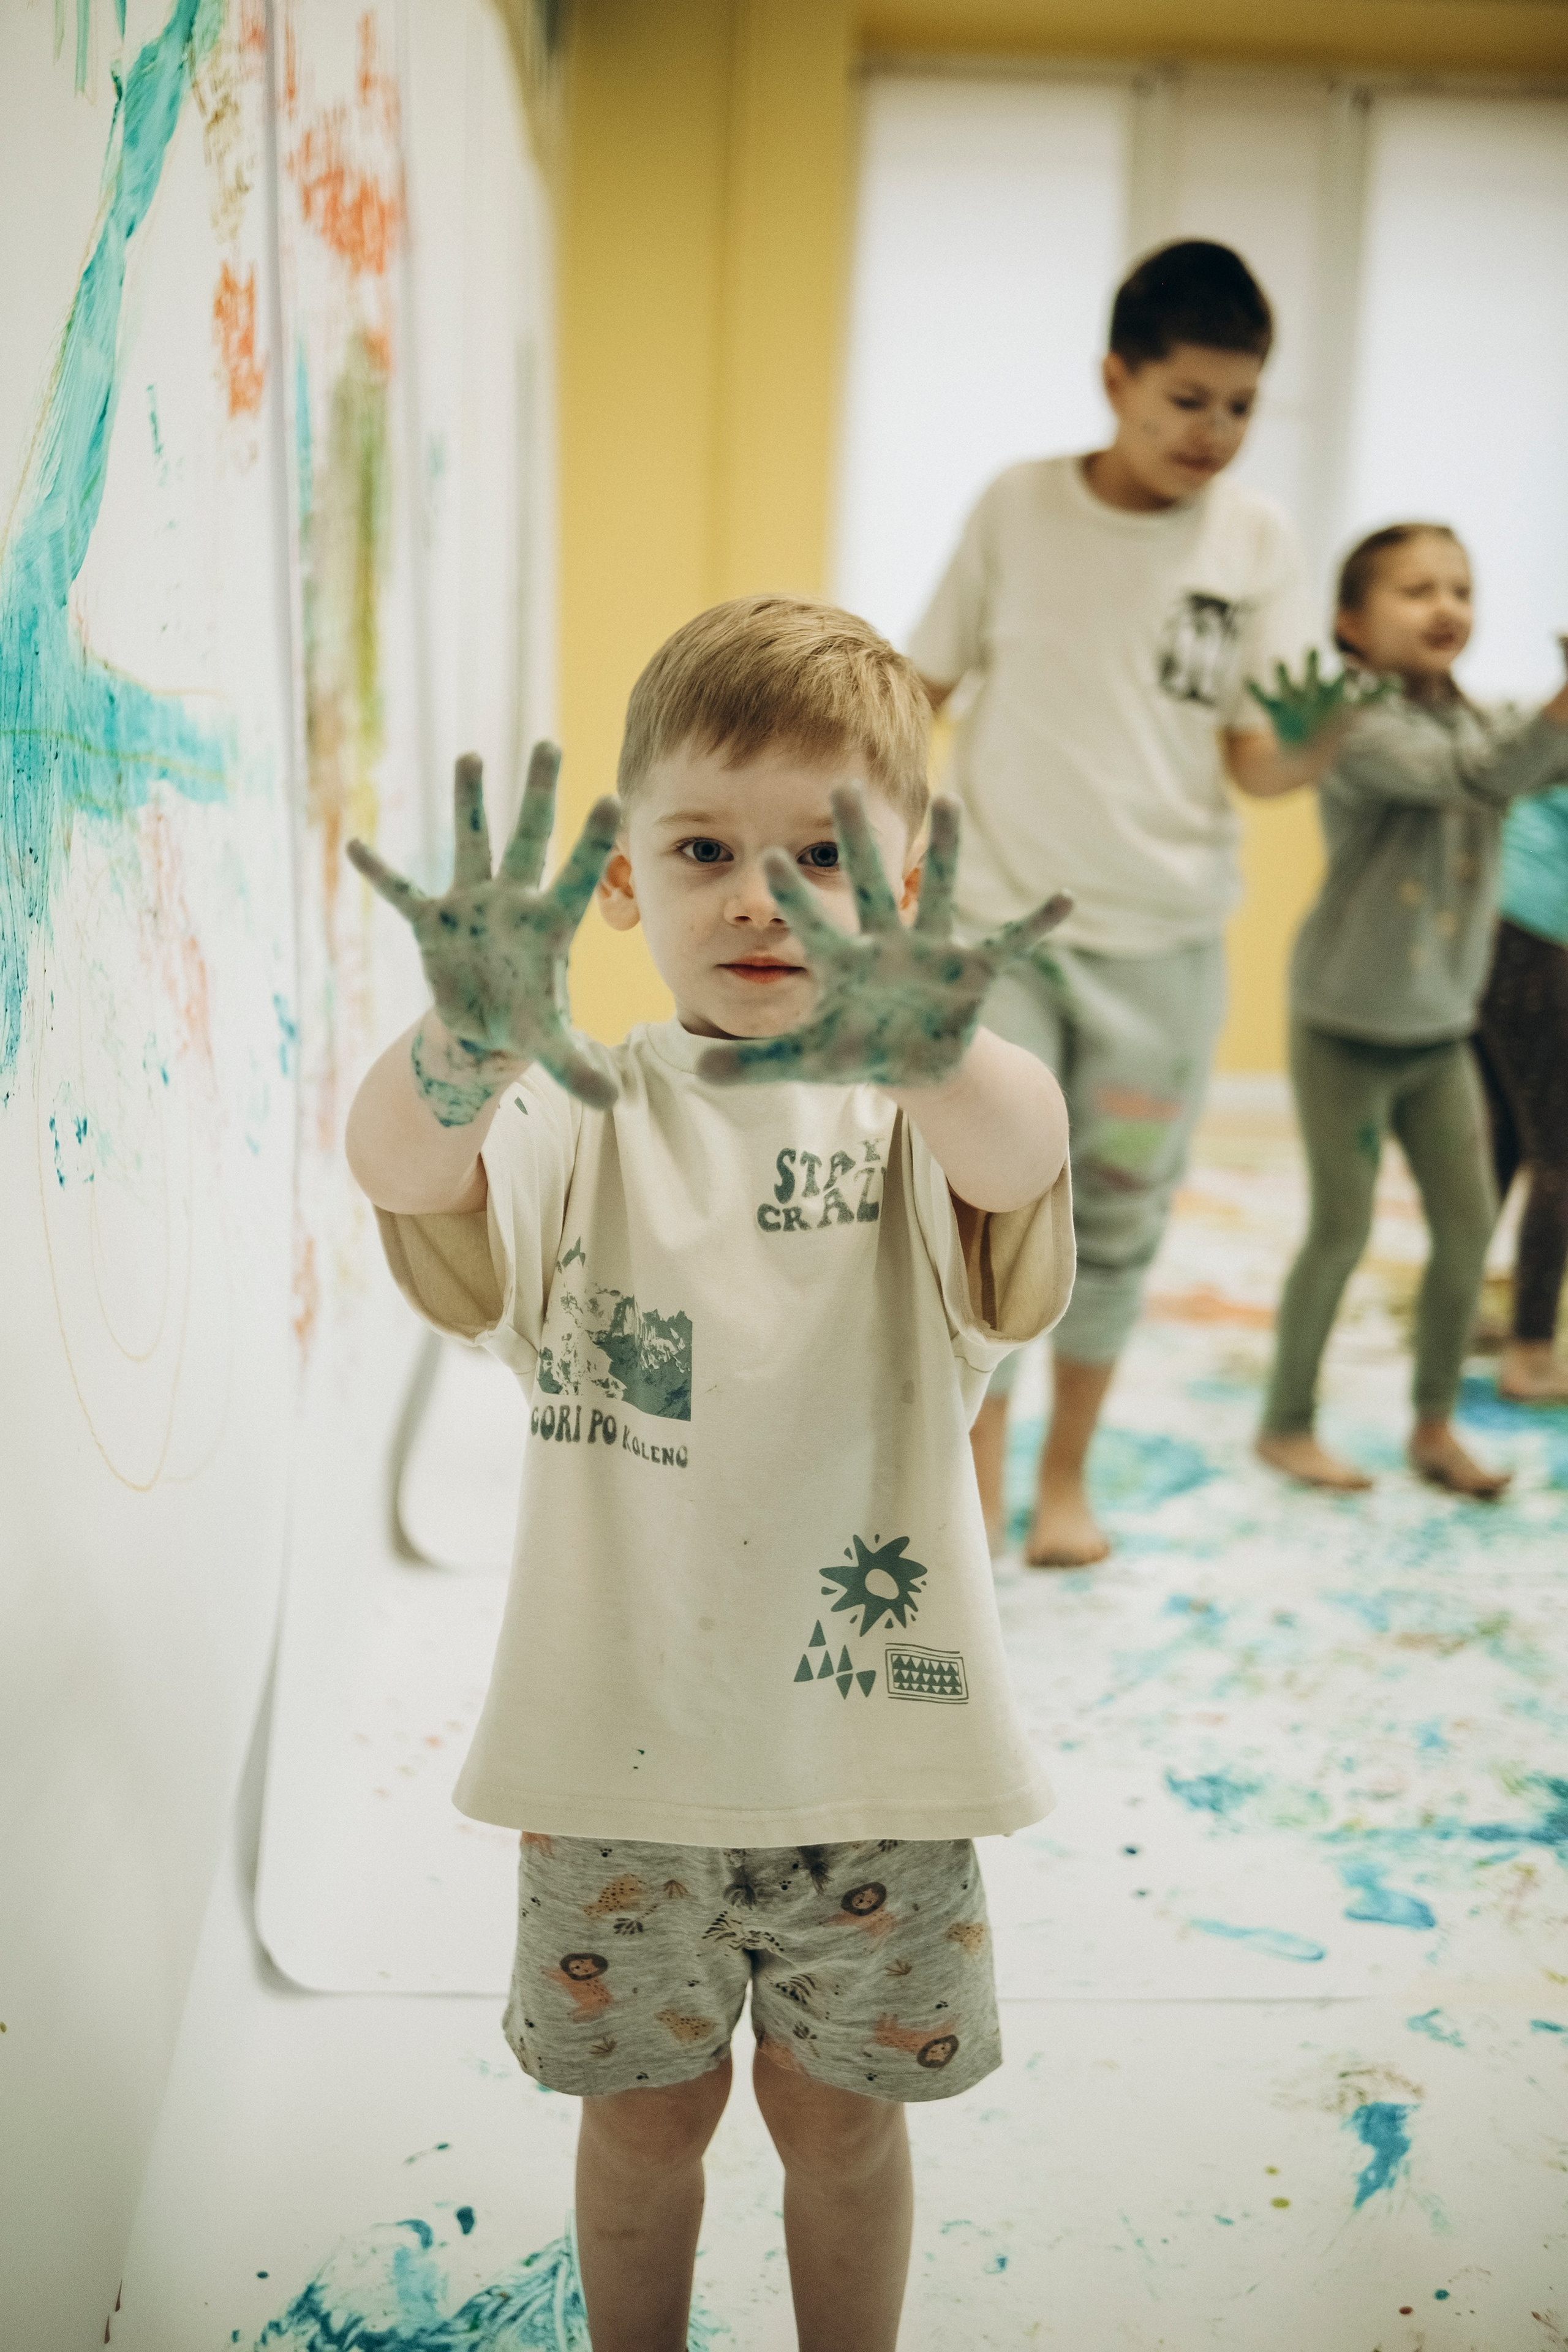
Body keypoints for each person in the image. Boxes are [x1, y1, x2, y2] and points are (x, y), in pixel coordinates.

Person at [342, 597, 1076, 2352]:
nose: (761, 896)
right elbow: (397, 1164)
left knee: (841, 2126)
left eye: (828, 856)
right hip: (621, 1763)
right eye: (705, 848)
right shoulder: (579, 1109)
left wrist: (938, 1047)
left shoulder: (915, 1114)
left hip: (873, 1764)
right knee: (644, 2126)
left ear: (915, 896)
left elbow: (1025, 1143)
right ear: (620, 884)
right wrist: (466, 1042)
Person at [908, 238, 1318, 1567]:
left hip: (1165, 938)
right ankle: (973, 1490)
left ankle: (1063, 1484)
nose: (1214, 433)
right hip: (1003, 924)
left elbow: (1253, 761)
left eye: (1240, 406)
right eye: (1184, 401)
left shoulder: (1253, 540)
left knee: (1121, 1213)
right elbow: (919, 689)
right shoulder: (1017, 508)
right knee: (989, 1202)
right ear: (1113, 379)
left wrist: (1318, 742)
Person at [1254, 526, 1568, 1494]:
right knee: (1341, 1230)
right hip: (1346, 1025)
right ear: (1352, 623)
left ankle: (1433, 1425)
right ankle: (1286, 1422)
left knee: (1468, 1231)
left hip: (1438, 1030)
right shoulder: (1351, 727)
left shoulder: (1476, 717)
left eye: (1462, 590)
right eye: (1417, 590)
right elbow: (1470, 779)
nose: (1447, 608)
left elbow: (1514, 760)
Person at [1472, 773, 1568, 1401]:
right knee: (1560, 1154)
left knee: (1508, 1131)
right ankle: (1530, 1353)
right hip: (1539, 934)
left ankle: (1451, 1309)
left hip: (1489, 923)